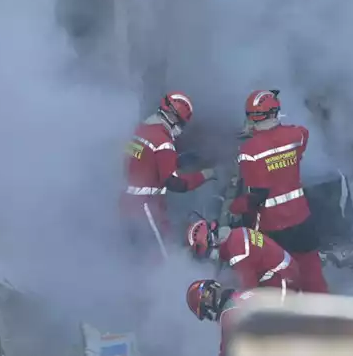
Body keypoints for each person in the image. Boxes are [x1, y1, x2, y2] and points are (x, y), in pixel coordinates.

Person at [229, 90, 330, 293]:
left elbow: (257, 196)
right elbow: (301, 139)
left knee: (278, 279)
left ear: (250, 117)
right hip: (302, 221)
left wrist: (236, 206)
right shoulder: (296, 135)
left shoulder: (249, 151)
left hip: (272, 228)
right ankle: (326, 316)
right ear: (276, 112)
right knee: (312, 275)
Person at [122, 92, 217, 260]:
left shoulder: (141, 130)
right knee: (161, 257)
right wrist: (204, 175)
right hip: (147, 208)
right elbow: (174, 183)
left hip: (128, 202)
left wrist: (177, 161)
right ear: (175, 118)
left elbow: (144, 161)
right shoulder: (163, 142)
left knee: (135, 254)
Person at [185, 219, 300, 292]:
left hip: (284, 280)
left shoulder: (238, 254)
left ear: (212, 241)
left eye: (208, 254)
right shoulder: (236, 234)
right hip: (284, 272)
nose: (211, 258)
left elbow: (249, 292)